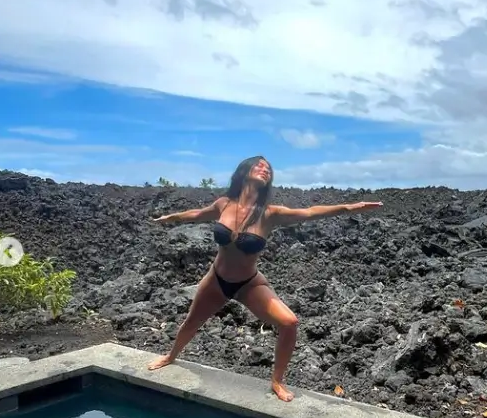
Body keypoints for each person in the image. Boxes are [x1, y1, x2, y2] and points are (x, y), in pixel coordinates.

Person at [148, 155, 382, 401]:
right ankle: (171, 356)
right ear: (244, 171)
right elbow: (199, 214)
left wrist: (348, 207)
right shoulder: (223, 204)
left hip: (248, 284)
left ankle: (277, 381)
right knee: (191, 323)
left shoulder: (270, 214)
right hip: (216, 279)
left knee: (289, 323)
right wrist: (173, 218)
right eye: (259, 165)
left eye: (268, 168)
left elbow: (310, 212)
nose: (265, 169)